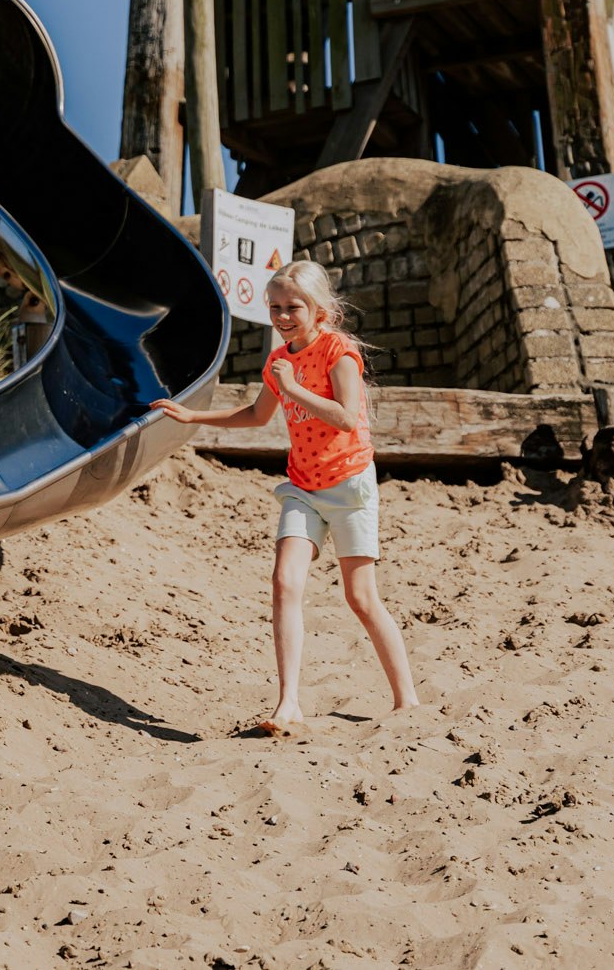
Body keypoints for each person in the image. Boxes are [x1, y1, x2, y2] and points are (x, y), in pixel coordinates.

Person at [149, 259, 418, 736]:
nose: (283, 316)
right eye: (275, 307)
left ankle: (407, 700)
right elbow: (257, 415)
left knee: (360, 597)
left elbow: (345, 417)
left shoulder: (339, 351)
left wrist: (293, 386)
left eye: (293, 307)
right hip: (302, 487)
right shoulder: (279, 359)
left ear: (320, 311)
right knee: (284, 582)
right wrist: (193, 418)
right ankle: (289, 703)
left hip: (350, 485)